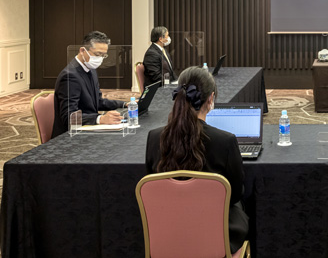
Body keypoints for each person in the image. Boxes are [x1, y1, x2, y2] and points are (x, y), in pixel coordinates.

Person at [145, 67, 249, 253]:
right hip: (216, 236)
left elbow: (154, 185)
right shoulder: (225, 141)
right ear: (211, 99)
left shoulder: (154, 137)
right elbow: (234, 194)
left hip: (167, 233)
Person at [52, 31, 127, 139]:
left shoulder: (90, 69)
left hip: (88, 128)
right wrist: (100, 119)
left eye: (103, 55)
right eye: (97, 54)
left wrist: (125, 104)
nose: (100, 59)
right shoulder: (70, 76)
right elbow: (68, 116)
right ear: (82, 51)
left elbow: (97, 101)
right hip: (71, 136)